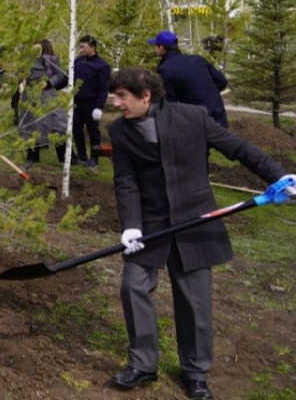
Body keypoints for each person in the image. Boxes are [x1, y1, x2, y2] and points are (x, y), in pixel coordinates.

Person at [105, 67, 290, 399]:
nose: (116, 103)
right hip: (150, 223)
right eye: (115, 95)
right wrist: (130, 224)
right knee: (133, 286)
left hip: (195, 219)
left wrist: (278, 175)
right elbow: (126, 181)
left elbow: (239, 148)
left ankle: (195, 373)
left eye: (122, 96)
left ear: (145, 95)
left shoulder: (192, 117)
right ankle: (143, 364)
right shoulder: (119, 131)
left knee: (194, 302)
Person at [149, 30, 229, 129]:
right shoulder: (197, 59)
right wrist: (208, 94)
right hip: (219, 113)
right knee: (223, 143)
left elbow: (170, 104)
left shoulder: (164, 69)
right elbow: (222, 82)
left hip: (197, 118)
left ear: (161, 47)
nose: (154, 49)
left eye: (155, 46)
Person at [19, 39, 69, 168]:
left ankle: (65, 157)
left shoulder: (51, 61)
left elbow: (61, 75)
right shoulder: (27, 61)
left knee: (58, 124)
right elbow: (20, 74)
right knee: (32, 125)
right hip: (31, 96)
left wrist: (48, 83)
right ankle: (32, 157)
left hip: (48, 95)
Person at [73, 34, 111, 168]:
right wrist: (50, 84)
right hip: (77, 102)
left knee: (93, 131)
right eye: (80, 47)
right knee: (76, 129)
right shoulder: (77, 62)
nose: (81, 49)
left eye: (83, 47)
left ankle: (94, 158)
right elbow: (67, 77)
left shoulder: (101, 65)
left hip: (92, 103)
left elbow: (103, 88)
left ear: (92, 47)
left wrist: (99, 107)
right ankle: (82, 156)